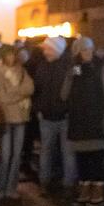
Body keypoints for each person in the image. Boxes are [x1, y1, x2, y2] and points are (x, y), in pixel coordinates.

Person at [66, 37, 104, 206]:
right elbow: (65, 95)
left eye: (90, 49)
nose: (88, 53)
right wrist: (70, 76)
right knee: (82, 158)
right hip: (79, 121)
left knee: (97, 158)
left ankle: (97, 191)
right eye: (84, 50)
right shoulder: (75, 69)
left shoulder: (101, 68)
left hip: (95, 120)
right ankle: (84, 190)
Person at [31, 36, 77, 192]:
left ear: (57, 50)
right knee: (46, 151)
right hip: (46, 115)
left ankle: (68, 183)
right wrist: (38, 109)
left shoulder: (69, 67)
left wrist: (69, 109)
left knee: (67, 152)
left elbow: (74, 91)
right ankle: (45, 182)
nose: (45, 52)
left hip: (65, 116)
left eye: (48, 49)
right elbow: (37, 90)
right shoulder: (43, 66)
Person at [0, 45, 34, 201]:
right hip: (5, 119)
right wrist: (20, 95)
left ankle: (11, 188)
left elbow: (30, 88)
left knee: (16, 155)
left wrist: (14, 93)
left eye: (13, 54)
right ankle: (0, 187)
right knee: (6, 155)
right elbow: (2, 97)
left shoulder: (21, 70)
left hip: (21, 117)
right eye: (8, 55)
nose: (11, 58)